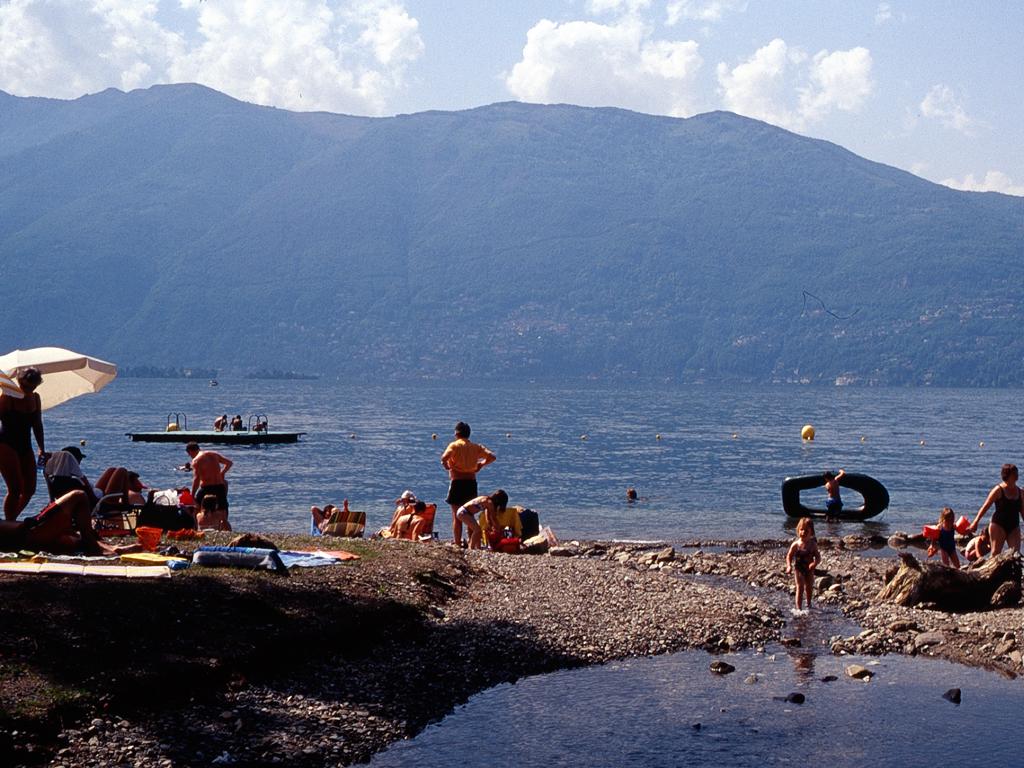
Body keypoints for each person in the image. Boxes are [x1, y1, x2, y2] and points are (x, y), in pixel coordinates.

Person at [0, 490, 139, 556]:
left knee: (72, 537)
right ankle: (94, 548)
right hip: (28, 532)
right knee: (78, 496)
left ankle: (109, 547)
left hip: (28, 532)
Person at [0, 367, 46, 520]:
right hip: (5, 444)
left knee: (30, 489)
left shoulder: (35, 398)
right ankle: (10, 524)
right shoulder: (7, 397)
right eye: (25, 386)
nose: (28, 390)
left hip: (25, 445)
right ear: (19, 382)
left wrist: (41, 448)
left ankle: (11, 522)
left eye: (32, 387)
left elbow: (37, 425)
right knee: (15, 488)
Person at [441, 422, 496, 547]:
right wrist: (481, 464)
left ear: (456, 433)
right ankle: (472, 541)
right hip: (471, 483)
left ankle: (457, 543)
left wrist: (447, 466)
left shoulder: (454, 446)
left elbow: (444, 458)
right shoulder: (476, 447)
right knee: (469, 515)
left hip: (457, 482)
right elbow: (492, 457)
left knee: (457, 516)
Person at [969, 463, 1022, 555]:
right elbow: (985, 506)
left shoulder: (1020, 492)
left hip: (1014, 526)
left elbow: (1023, 510)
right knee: (995, 553)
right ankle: (990, 569)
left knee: (1015, 554)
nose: (1017, 476)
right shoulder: (998, 490)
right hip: (998, 525)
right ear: (1007, 475)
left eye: (1017, 473)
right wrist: (975, 522)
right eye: (1015, 473)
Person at [185, 442, 232, 515]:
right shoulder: (213, 454)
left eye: (189, 454)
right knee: (223, 510)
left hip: (207, 488)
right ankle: (224, 525)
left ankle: (196, 525)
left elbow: (196, 479)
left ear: (190, 451)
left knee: (196, 509)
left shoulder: (196, 460)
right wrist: (222, 473)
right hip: (220, 487)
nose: (190, 456)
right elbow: (229, 463)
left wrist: (192, 495)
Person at [785, 517, 820, 611]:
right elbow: (789, 556)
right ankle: (798, 608)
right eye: (801, 530)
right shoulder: (796, 544)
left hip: (809, 569)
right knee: (800, 587)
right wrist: (789, 566)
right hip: (799, 568)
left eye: (806, 531)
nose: (803, 532)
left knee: (809, 586)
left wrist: (814, 563)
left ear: (811, 532)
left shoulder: (813, 545)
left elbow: (818, 557)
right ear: (798, 530)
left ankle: (809, 603)